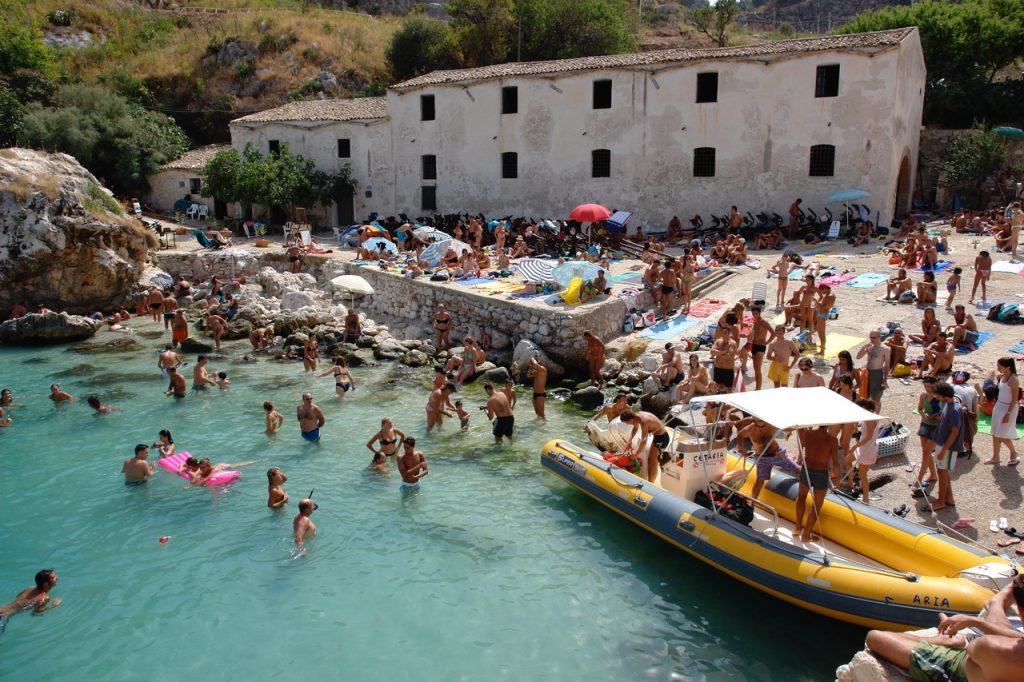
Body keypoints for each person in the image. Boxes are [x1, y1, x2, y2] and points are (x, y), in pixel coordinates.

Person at [866, 574, 1024, 682]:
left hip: (955, 669)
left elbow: (973, 649)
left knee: (875, 637)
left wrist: (973, 623)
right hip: (997, 661)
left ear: (1021, 611)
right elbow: (1017, 640)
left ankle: (940, 640)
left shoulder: (992, 646)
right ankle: (997, 602)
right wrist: (977, 622)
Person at [793, 425, 839, 542]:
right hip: (821, 473)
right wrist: (835, 479)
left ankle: (797, 528)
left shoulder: (808, 434)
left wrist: (801, 429)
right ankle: (806, 534)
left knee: (801, 497)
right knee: (816, 506)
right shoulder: (832, 440)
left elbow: (802, 444)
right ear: (829, 424)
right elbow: (836, 463)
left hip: (807, 470)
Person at [921, 382, 963, 512]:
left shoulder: (954, 410)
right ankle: (948, 498)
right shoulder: (948, 405)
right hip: (942, 444)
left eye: (937, 395)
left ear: (943, 395)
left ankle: (941, 501)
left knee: (942, 472)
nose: (935, 396)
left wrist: (944, 450)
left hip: (948, 447)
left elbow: (955, 432)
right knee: (942, 471)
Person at [737, 419, 800, 500]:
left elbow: (786, 428)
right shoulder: (749, 429)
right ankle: (753, 503)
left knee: (797, 469)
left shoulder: (771, 425)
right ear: (754, 422)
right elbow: (739, 435)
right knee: (759, 481)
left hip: (777, 454)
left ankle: (811, 483)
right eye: (758, 426)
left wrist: (797, 426)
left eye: (763, 425)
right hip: (762, 459)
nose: (761, 428)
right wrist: (740, 447)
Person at [0, 570, 61, 634]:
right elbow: (35, 613)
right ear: (46, 583)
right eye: (53, 577)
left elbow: (17, 598)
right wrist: (53, 606)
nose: (57, 577)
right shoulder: (45, 597)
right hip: (2, 617)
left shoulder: (29, 589)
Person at [620, 409, 670, 483]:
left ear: (630, 420)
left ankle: (651, 483)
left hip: (662, 438)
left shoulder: (644, 421)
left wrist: (635, 454)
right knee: (650, 459)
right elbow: (635, 427)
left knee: (653, 461)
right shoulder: (636, 416)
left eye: (627, 423)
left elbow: (644, 441)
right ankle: (651, 481)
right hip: (657, 436)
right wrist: (630, 440)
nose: (629, 425)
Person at [986, 357, 1020, 465]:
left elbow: (1015, 399)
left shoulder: (1013, 380)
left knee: (1001, 435)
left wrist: (1008, 413)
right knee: (995, 433)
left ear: (1008, 367)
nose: (998, 368)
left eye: (999, 366)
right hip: (999, 406)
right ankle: (995, 457)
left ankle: (1014, 453)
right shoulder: (1002, 376)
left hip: (1008, 409)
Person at [913, 376, 941, 496]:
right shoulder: (923, 395)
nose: (928, 389)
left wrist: (933, 416)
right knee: (926, 452)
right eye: (926, 386)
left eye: (930, 386)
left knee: (926, 453)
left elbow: (942, 413)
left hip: (935, 427)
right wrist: (923, 414)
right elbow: (919, 409)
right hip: (925, 424)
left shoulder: (939, 397)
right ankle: (933, 475)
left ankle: (919, 479)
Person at [856, 330, 889, 410]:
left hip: (877, 373)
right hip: (867, 372)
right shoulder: (869, 347)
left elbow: (887, 365)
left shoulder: (885, 349)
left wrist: (885, 379)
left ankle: (877, 416)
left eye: (874, 338)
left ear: (879, 337)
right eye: (870, 337)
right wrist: (864, 347)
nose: (872, 340)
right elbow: (858, 356)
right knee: (865, 396)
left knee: (876, 399)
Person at [952, 372, 979, 458]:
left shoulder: (950, 387)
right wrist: (975, 420)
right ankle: (965, 446)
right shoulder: (972, 389)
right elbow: (975, 409)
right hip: (967, 415)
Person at [746, 306, 773, 390]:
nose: (754, 315)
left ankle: (758, 388)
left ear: (759, 313)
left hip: (761, 346)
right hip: (754, 345)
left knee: (758, 369)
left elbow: (773, 332)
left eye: (756, 313)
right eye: (753, 313)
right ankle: (757, 387)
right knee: (755, 369)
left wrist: (767, 342)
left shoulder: (764, 322)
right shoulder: (755, 321)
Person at [710, 327, 738, 393]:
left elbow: (729, 356)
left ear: (729, 334)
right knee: (717, 388)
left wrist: (718, 353)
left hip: (728, 369)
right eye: (723, 332)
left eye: (725, 333)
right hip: (718, 368)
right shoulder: (718, 341)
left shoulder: (732, 343)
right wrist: (723, 352)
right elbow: (712, 352)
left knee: (728, 390)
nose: (723, 334)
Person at [813, 284, 836, 356]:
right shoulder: (830, 294)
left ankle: (822, 351)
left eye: (821, 291)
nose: (821, 293)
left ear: (825, 288)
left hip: (822, 315)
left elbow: (822, 308)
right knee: (820, 333)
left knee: (821, 334)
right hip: (823, 315)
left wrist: (816, 301)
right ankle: (823, 347)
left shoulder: (829, 296)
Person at [527, 356, 548, 420]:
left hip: (540, 395)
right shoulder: (536, 372)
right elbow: (528, 375)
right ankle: (538, 427)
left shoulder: (542, 369)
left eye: (534, 365)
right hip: (535, 394)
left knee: (541, 414)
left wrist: (532, 358)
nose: (534, 366)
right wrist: (530, 368)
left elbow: (536, 364)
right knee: (537, 413)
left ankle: (544, 426)